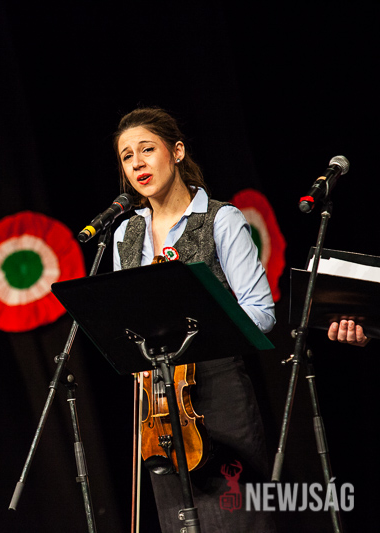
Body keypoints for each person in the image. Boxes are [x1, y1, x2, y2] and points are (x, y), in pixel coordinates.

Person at [111, 107, 276, 532]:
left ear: (177, 151)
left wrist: (207, 328)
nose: (137, 163)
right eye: (127, 156)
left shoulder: (221, 219)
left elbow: (261, 312)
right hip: (158, 409)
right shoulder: (124, 234)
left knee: (237, 521)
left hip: (219, 394)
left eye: (147, 149)